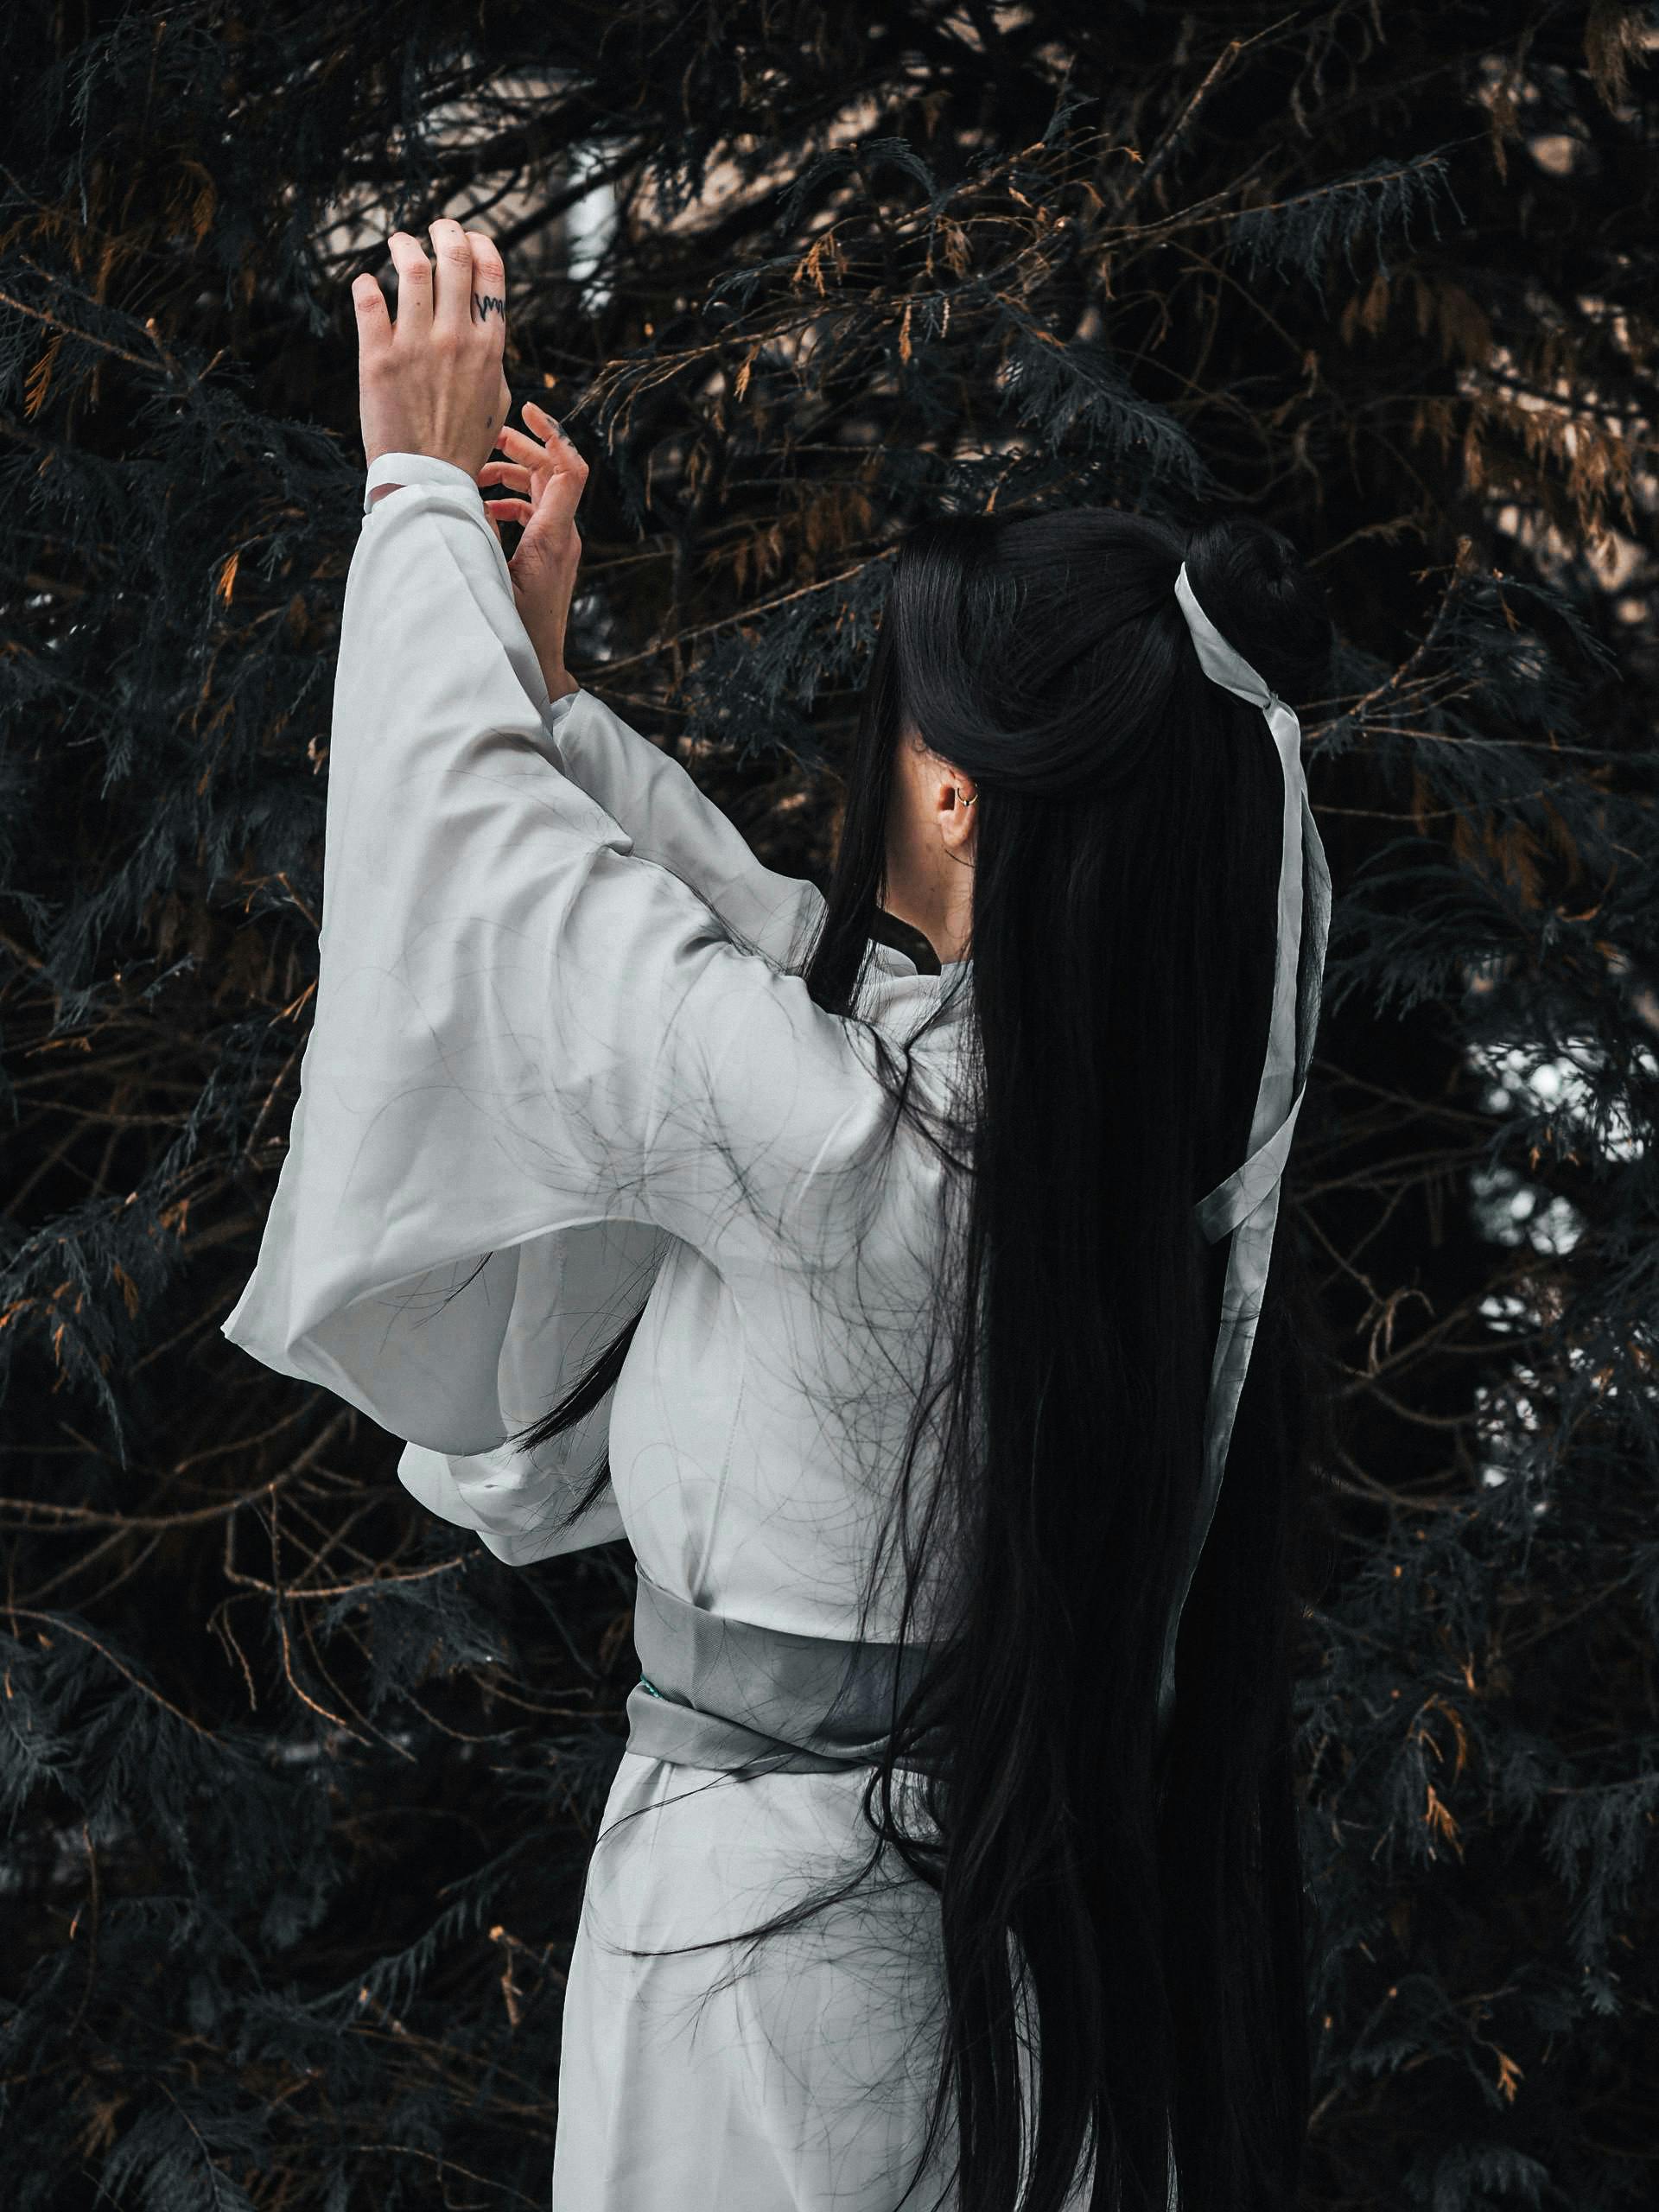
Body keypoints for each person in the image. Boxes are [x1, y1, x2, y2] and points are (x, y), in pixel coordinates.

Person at [223, 219, 1336, 2212]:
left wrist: (410, 502)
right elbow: (759, 938)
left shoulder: (853, 1137)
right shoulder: (1088, 1118)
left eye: (907, 712)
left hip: (773, 1945)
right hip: (964, 1901)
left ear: (969, 795)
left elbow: (518, 897)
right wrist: (541, 682)